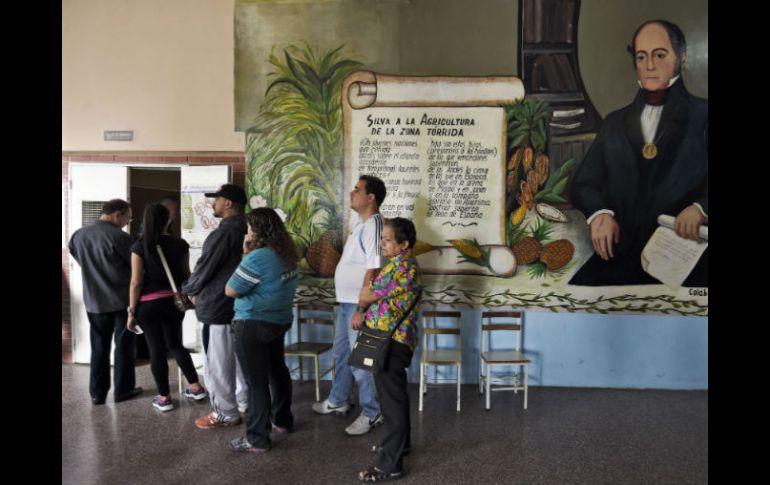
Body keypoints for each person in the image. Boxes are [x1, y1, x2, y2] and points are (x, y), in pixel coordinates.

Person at [569, 19, 707, 287]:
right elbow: (584, 184)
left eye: (660, 55)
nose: (650, 65)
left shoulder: (704, 116)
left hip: (686, 257)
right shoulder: (614, 123)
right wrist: (599, 213)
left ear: (682, 59)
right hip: (621, 255)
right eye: (642, 57)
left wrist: (701, 208)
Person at [312, 175, 387, 436]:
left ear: (371, 197)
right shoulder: (361, 225)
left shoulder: (375, 224)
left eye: (357, 190)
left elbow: (375, 268)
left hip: (358, 305)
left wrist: (362, 307)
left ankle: (372, 412)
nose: (352, 193)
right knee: (342, 354)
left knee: (361, 361)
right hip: (347, 303)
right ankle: (338, 400)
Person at [225, 208, 299, 453]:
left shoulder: (258, 257)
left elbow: (231, 290)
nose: (247, 232)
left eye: (249, 228)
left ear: (258, 231)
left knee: (256, 382)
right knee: (277, 371)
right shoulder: (287, 252)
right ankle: (282, 420)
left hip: (253, 323)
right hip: (278, 321)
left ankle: (257, 438)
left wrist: (246, 252)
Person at [356, 217, 422, 482]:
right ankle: (400, 446)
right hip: (391, 340)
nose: (382, 243)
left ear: (403, 244)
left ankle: (389, 465)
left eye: (387, 239)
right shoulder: (397, 264)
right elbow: (369, 293)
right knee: (395, 398)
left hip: (392, 343)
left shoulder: (403, 266)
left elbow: (366, 294)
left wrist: (368, 289)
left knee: (391, 402)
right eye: (381, 238)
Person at [127, 203, 208, 412]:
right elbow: (186, 275)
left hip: (148, 306)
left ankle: (164, 398)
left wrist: (131, 312)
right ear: (167, 220)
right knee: (175, 344)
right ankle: (196, 387)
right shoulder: (180, 244)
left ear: (145, 220)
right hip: (173, 303)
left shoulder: (139, 246)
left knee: (156, 349)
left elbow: (136, 282)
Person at [182, 184, 249, 428]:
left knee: (217, 363)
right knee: (239, 359)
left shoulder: (225, 232)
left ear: (228, 203)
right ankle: (244, 400)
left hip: (217, 306)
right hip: (239, 306)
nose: (213, 203)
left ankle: (225, 412)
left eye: (217, 199)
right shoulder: (248, 228)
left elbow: (205, 266)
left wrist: (188, 290)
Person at [68, 199, 143, 405]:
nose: (127, 222)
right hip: (121, 302)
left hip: (94, 302)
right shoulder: (120, 237)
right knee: (124, 346)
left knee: (99, 347)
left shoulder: (78, 235)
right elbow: (137, 267)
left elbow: (78, 258)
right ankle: (123, 390)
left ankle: (97, 394)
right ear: (118, 214)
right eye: (128, 217)